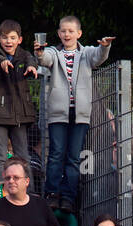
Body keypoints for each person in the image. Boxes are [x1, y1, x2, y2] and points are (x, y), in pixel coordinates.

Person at [35, 16, 113, 210]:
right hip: (58, 113)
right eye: (63, 31)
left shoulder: (86, 53)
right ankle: (52, 193)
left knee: (73, 156)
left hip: (80, 114)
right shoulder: (54, 52)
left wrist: (104, 47)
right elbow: (46, 59)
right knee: (56, 153)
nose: (66, 34)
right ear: (58, 33)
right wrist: (39, 53)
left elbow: (99, 57)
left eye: (71, 31)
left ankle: (69, 196)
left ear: (79, 33)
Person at [0, 20, 39, 168]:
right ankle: (0, 190)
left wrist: (31, 67)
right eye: (5, 37)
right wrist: (3, 62)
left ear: (19, 40)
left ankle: (29, 190)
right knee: (0, 157)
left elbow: (31, 60)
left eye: (12, 38)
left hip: (19, 115)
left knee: (22, 157)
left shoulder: (24, 55)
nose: (8, 41)